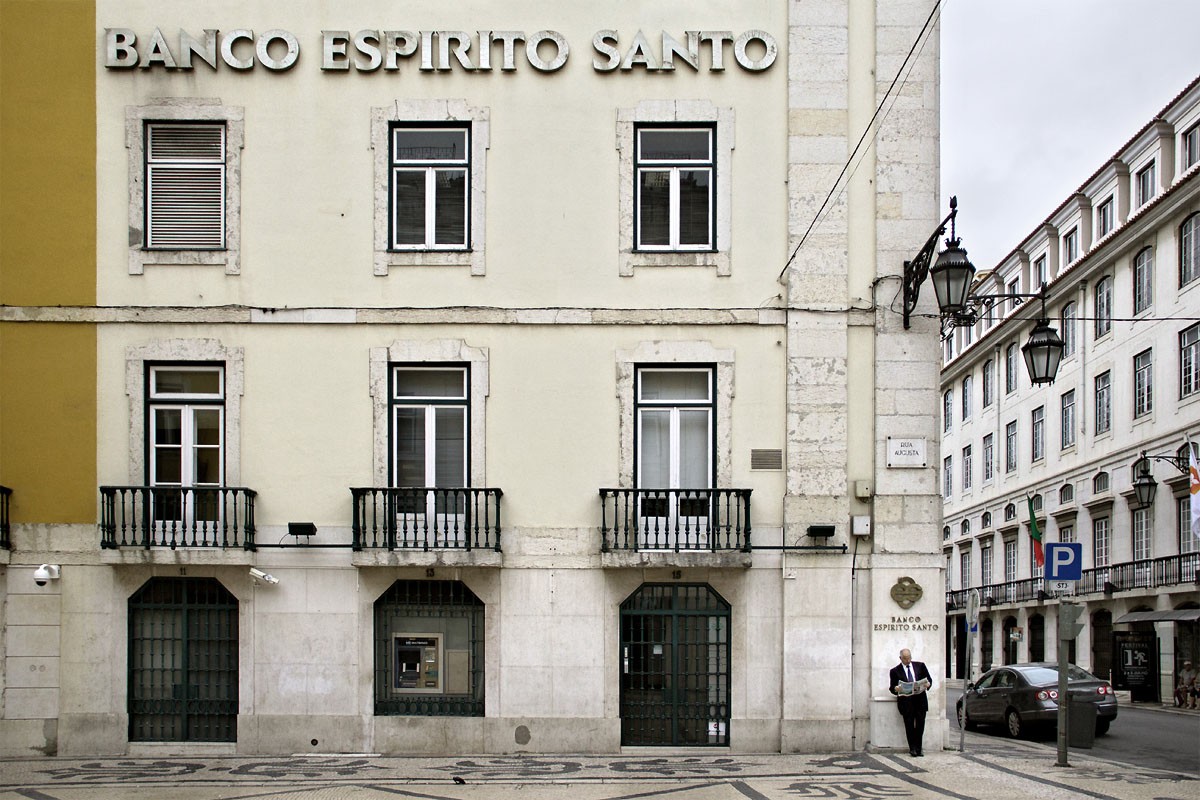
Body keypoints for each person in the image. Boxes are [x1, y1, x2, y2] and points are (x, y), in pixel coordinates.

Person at [889, 648, 933, 756]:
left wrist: (928, 685)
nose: (908, 661)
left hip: (920, 701)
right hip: (906, 703)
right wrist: (896, 689)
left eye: (909, 658)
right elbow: (892, 687)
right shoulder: (895, 671)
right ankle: (912, 748)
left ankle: (919, 748)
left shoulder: (920, 666)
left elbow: (929, 680)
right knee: (909, 726)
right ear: (900, 658)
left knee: (920, 725)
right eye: (905, 658)